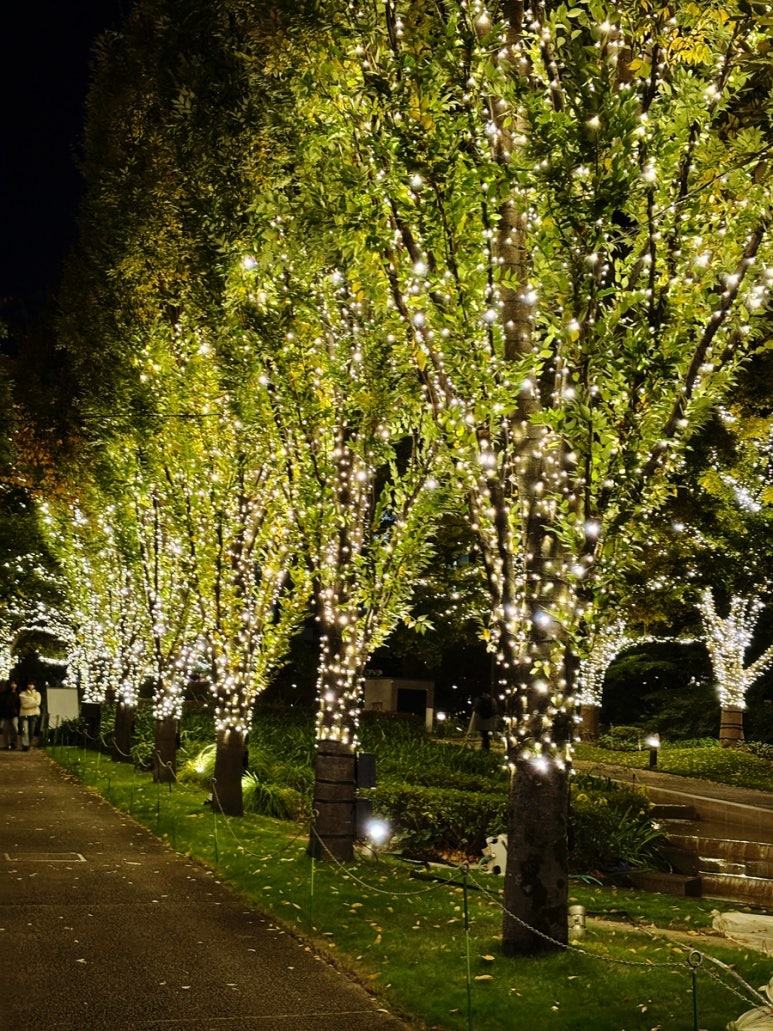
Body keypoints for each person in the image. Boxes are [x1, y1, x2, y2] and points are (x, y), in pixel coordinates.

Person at [18, 681, 41, 751]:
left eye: (32, 684)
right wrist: (32, 701)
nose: (31, 686)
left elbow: (37, 703)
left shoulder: (37, 694)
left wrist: (29, 702)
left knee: (32, 730)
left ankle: (29, 744)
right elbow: (23, 704)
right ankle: (25, 745)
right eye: (29, 684)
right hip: (24, 714)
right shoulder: (23, 693)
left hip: (34, 714)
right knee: (25, 730)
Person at [0, 680, 20, 749]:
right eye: (12, 684)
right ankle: (6, 744)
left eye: (15, 684)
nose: (13, 685)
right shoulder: (4, 694)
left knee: (15, 728)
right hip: (6, 714)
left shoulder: (18, 694)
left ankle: (14, 743)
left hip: (14, 714)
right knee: (5, 729)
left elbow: (19, 704)